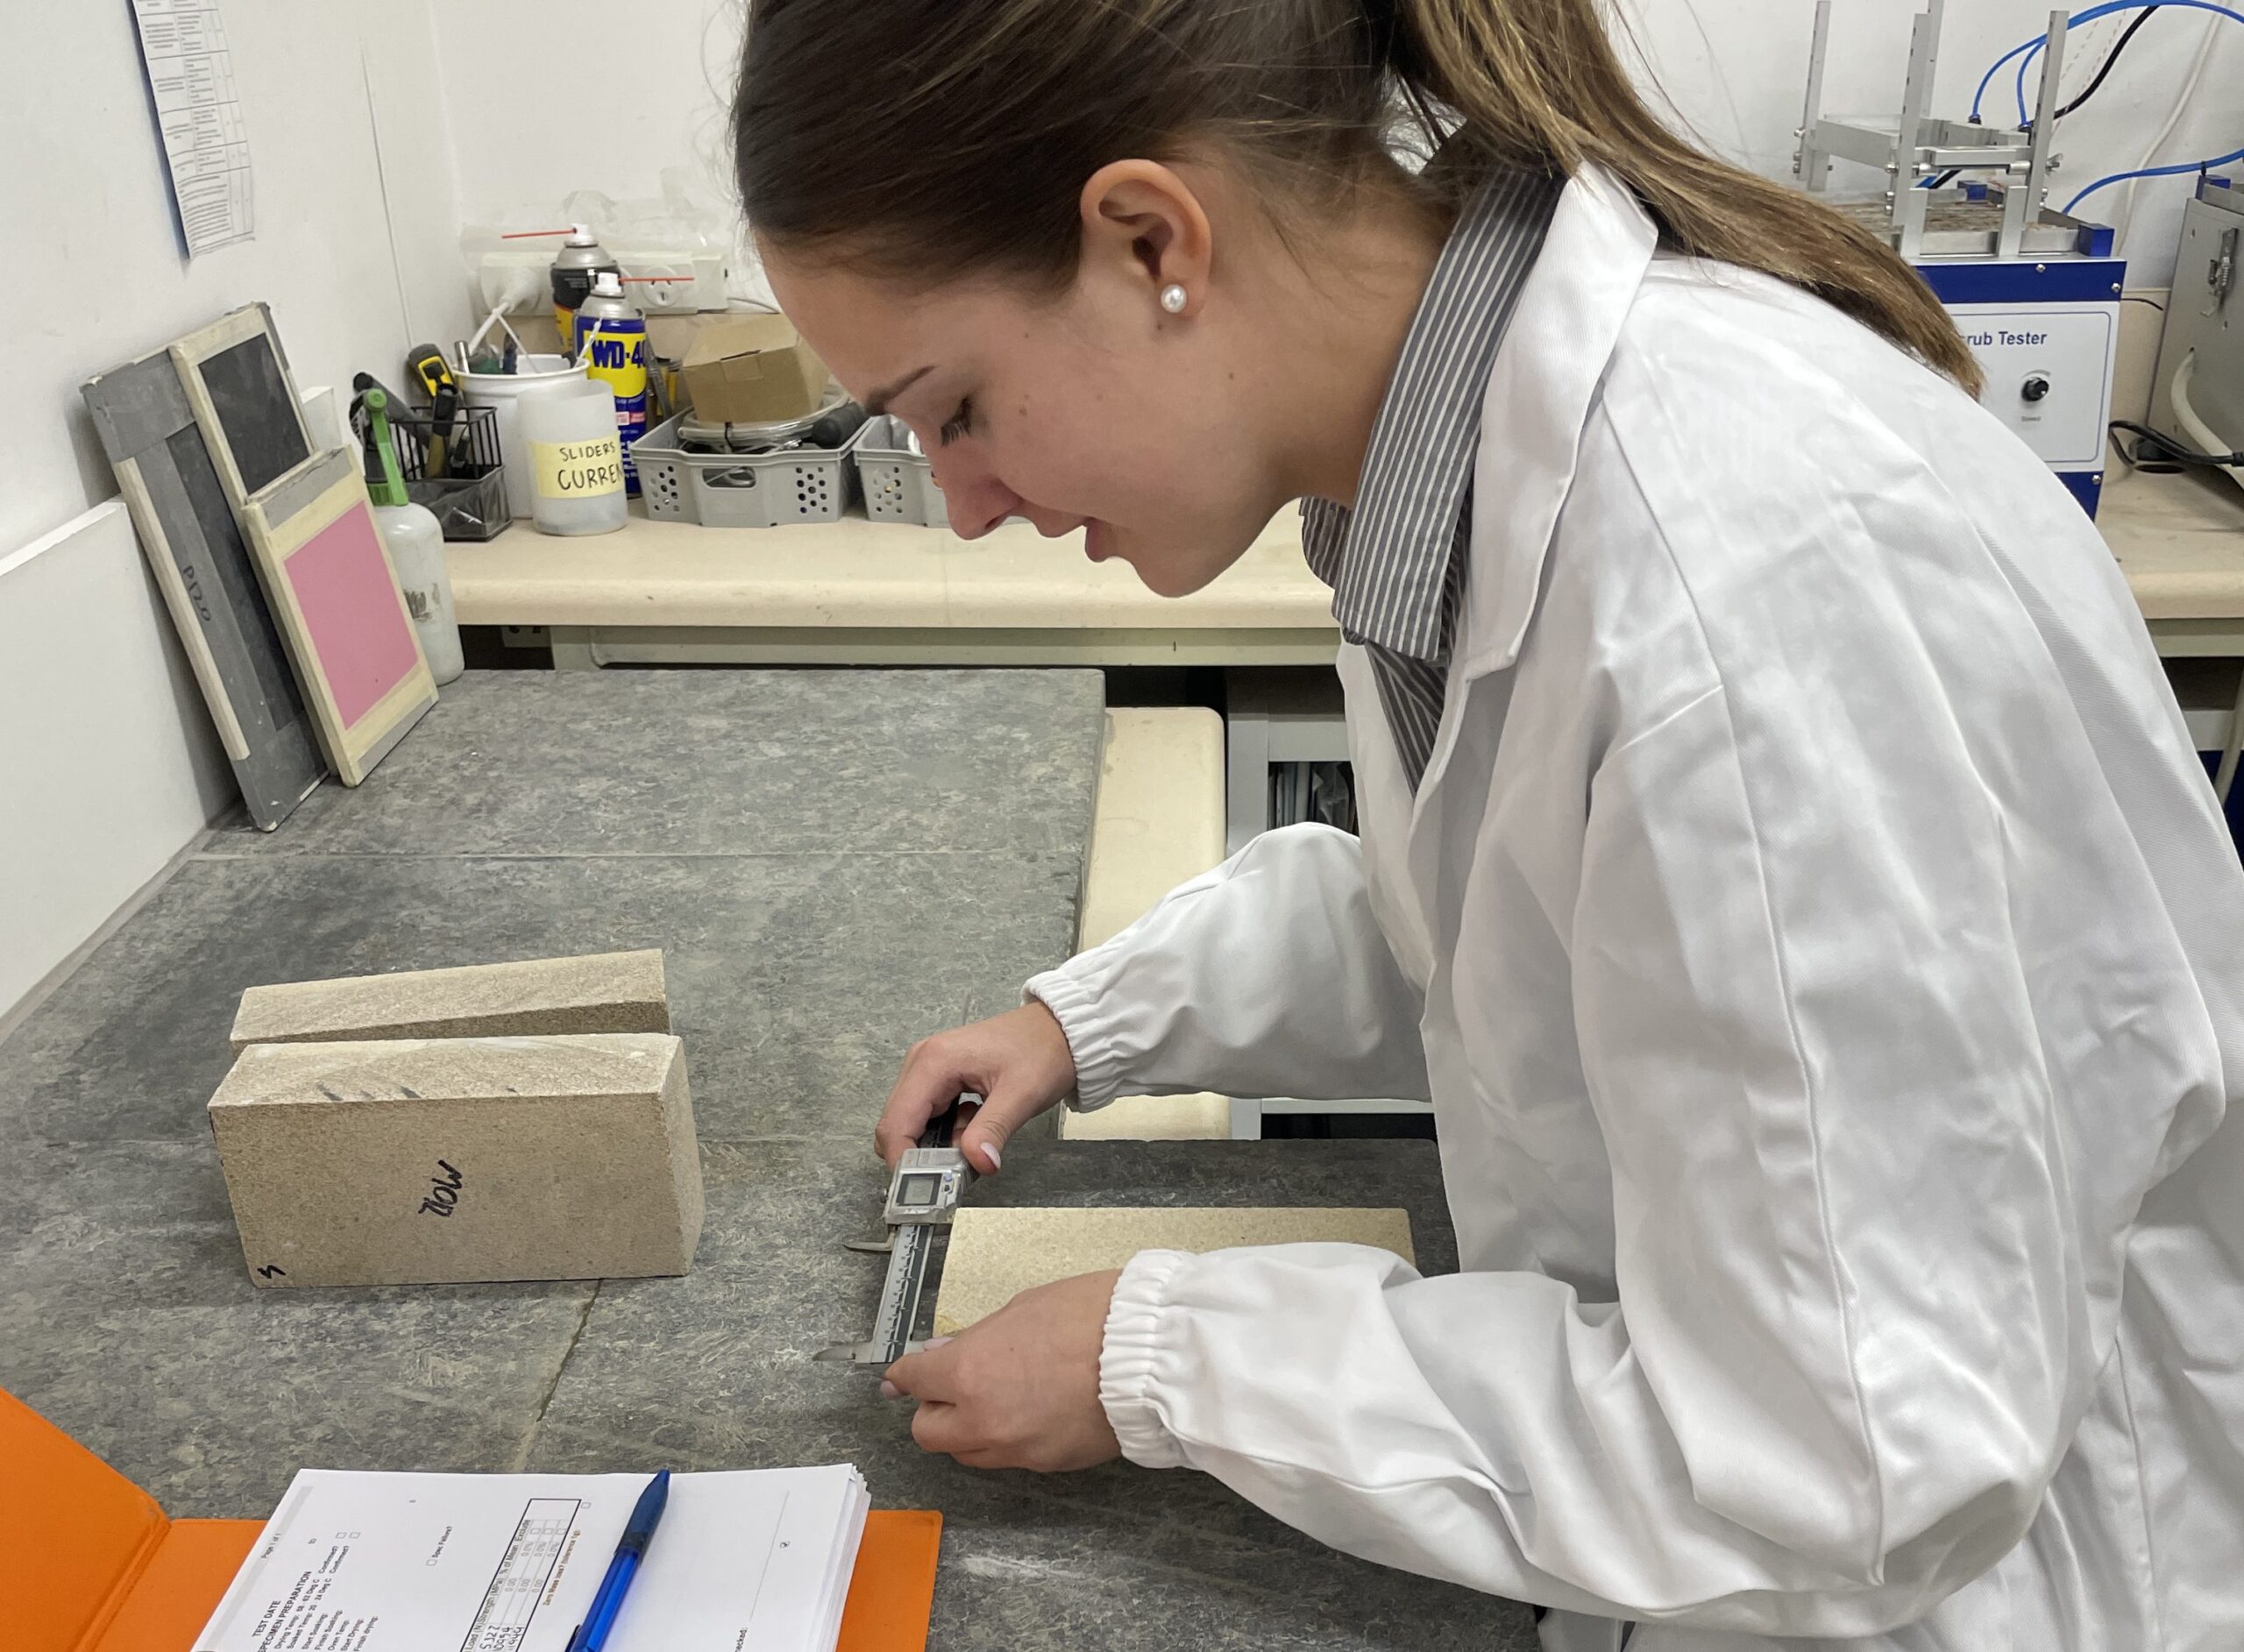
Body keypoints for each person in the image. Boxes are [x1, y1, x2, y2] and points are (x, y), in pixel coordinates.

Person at [734, 3, 2244, 1648]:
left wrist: (1167, 1355)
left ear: (1152, 238)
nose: (960, 506)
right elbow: (1487, 912)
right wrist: (1095, 1020)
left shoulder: (1734, 580)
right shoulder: (1439, 463)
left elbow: (1853, 1469)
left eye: (953, 409)